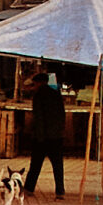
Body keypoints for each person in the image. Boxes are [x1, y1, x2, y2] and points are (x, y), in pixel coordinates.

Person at [22, 68, 68, 197]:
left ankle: (29, 188)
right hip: (56, 136)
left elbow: (39, 117)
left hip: (42, 136)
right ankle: (60, 191)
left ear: (38, 83)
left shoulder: (38, 95)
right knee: (58, 165)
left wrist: (39, 136)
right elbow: (61, 115)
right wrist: (60, 131)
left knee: (35, 164)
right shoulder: (56, 94)